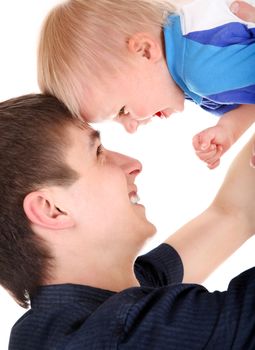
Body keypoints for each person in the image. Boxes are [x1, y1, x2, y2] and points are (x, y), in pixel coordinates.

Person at [1, 94, 254, 350]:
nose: (134, 165)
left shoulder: (62, 323)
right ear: (52, 209)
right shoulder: (122, 335)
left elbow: (233, 214)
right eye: (98, 153)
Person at [37, 0, 255, 169]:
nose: (131, 127)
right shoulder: (187, 63)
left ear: (144, 51)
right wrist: (228, 129)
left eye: (122, 111)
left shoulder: (200, 72)